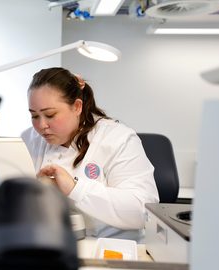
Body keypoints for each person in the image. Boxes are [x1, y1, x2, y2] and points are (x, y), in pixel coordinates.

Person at [21, 67, 159, 241]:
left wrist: (76, 188)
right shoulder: (28, 139)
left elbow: (143, 211)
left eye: (50, 115)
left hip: (109, 249)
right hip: (48, 245)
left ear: (77, 107)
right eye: (34, 116)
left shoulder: (118, 139)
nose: (41, 125)